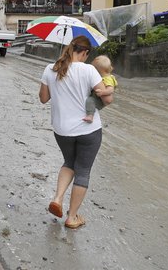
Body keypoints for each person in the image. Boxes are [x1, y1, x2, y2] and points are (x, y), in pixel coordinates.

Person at [39, 36, 105, 229]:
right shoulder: (89, 70)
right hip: (88, 130)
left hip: (62, 131)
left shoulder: (51, 69)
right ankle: (72, 217)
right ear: (84, 52)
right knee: (82, 170)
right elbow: (105, 98)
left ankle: (58, 199)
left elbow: (43, 98)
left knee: (69, 162)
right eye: (86, 55)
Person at [83, 55, 117, 122]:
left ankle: (90, 116)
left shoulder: (108, 79)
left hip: (99, 100)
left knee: (90, 100)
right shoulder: (104, 77)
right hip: (98, 97)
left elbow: (111, 90)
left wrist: (102, 92)